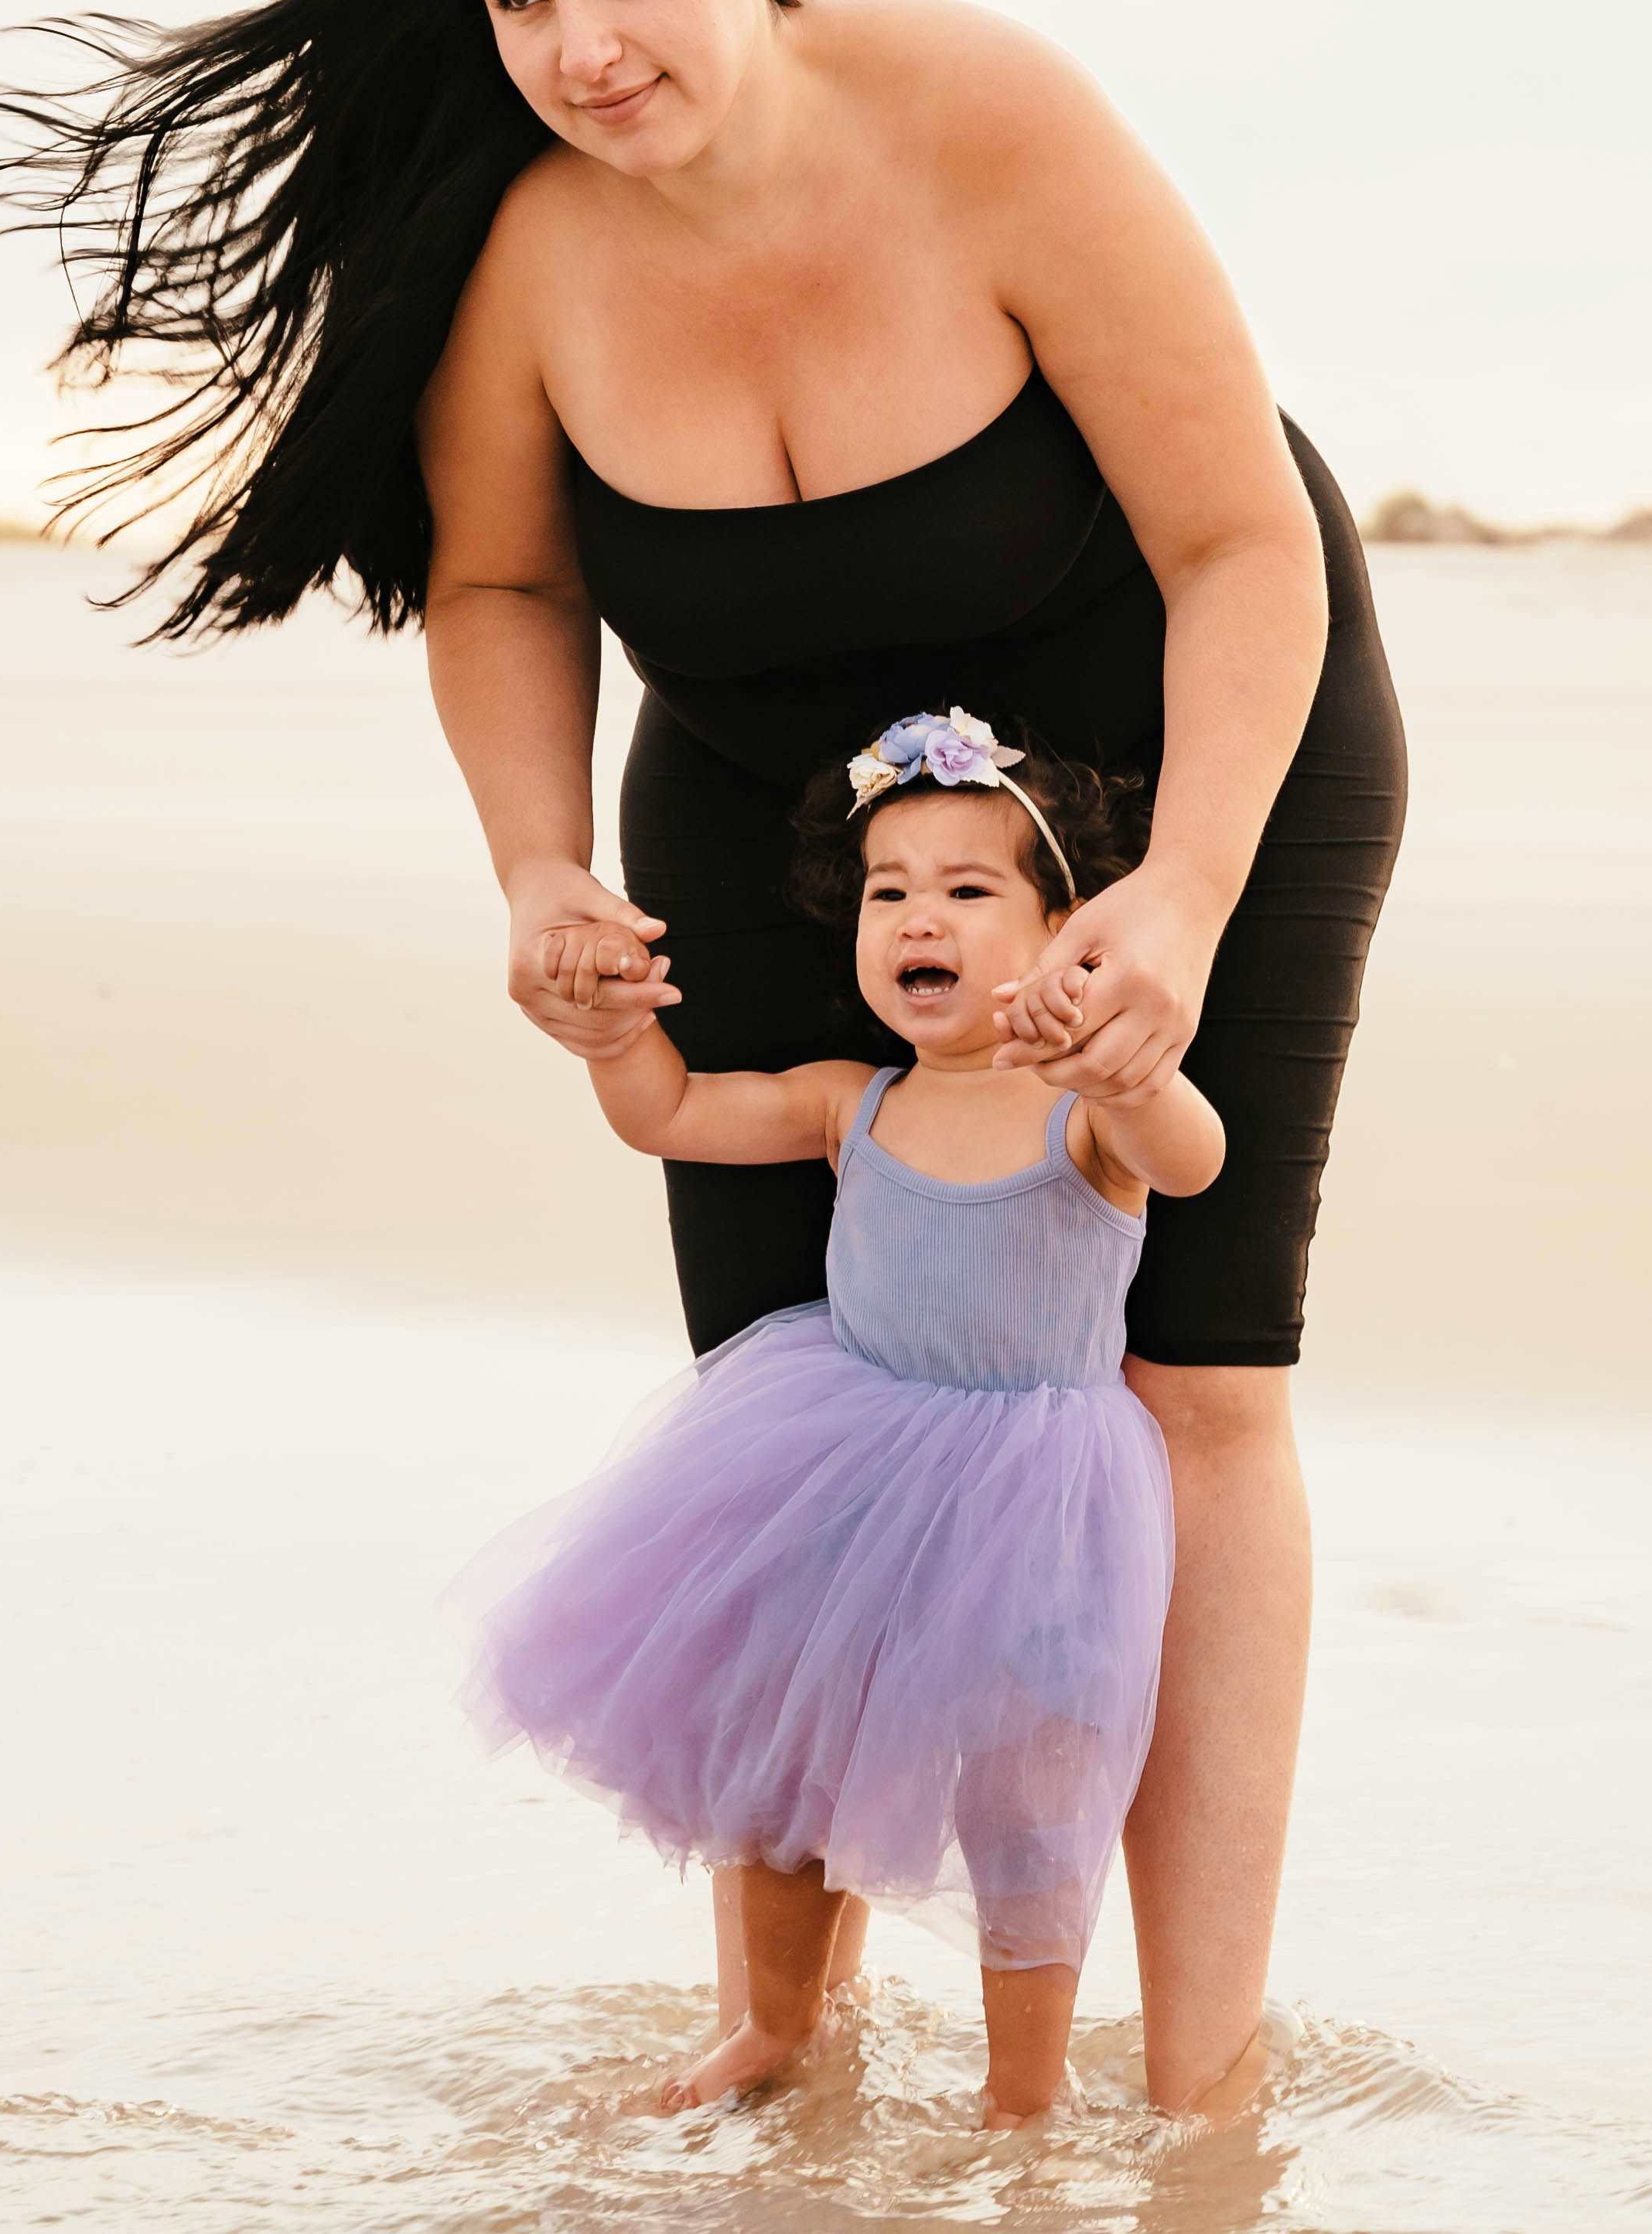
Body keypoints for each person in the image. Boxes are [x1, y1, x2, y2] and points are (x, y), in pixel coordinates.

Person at [0, 0, 1405, 2120]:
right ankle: (778, 2039)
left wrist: (1175, 894)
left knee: (1187, 1377)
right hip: (760, 788)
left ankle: (1195, 2071)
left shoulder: (987, 116)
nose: (578, 45)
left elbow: (1241, 539)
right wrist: (537, 870)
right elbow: (503, 582)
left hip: (1179, 727)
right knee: (795, 1394)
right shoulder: (521, 253)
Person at [456, 711, 1217, 2123]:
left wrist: (1130, 1065)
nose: (920, 915)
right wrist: (617, 1032)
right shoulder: (848, 1104)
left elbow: (1196, 1157)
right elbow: (668, 1116)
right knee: (780, 1754)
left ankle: (1023, 2090)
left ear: (1064, 931)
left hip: (1032, 1494)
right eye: (890, 892)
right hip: (837, 1473)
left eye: (969, 890)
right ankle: (771, 2024)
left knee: (1028, 1799)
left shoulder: (1081, 1116)